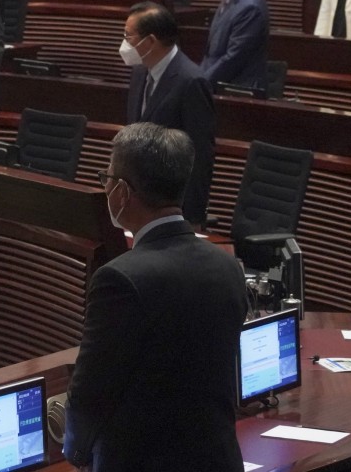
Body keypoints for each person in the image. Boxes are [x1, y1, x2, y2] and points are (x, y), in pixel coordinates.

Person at [63, 122, 247, 472]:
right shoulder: (227, 266)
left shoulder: (120, 279)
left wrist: (77, 455)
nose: (106, 188)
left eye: (107, 178)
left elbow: (90, 394)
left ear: (122, 192)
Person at [121, 2, 215, 225]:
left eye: (128, 37)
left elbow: (199, 155)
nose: (125, 43)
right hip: (139, 202)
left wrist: (191, 218)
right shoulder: (139, 72)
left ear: (150, 41)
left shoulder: (191, 81)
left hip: (170, 207)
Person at [198, 0, 269, 90]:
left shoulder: (250, 7)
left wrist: (199, 84)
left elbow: (233, 58)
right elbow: (211, 54)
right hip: (218, 85)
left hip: (238, 91)